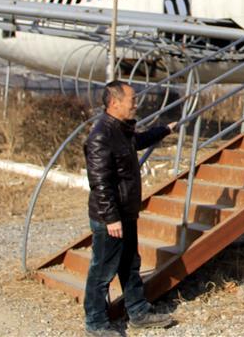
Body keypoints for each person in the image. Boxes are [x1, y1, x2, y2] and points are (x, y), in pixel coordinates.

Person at [83, 80, 178, 336]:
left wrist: (164, 130)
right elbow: (100, 182)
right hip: (111, 218)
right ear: (115, 103)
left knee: (129, 263)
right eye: (132, 100)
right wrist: (111, 218)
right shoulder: (101, 135)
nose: (136, 104)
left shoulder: (120, 130)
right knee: (102, 270)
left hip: (126, 212)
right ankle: (95, 323)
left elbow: (136, 141)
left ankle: (138, 312)